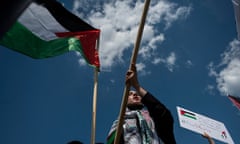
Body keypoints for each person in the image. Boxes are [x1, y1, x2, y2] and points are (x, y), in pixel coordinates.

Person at [107, 64, 176, 144]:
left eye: (137, 94)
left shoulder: (153, 118)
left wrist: (137, 86)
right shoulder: (120, 124)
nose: (135, 95)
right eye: (130, 94)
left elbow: (163, 114)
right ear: (124, 102)